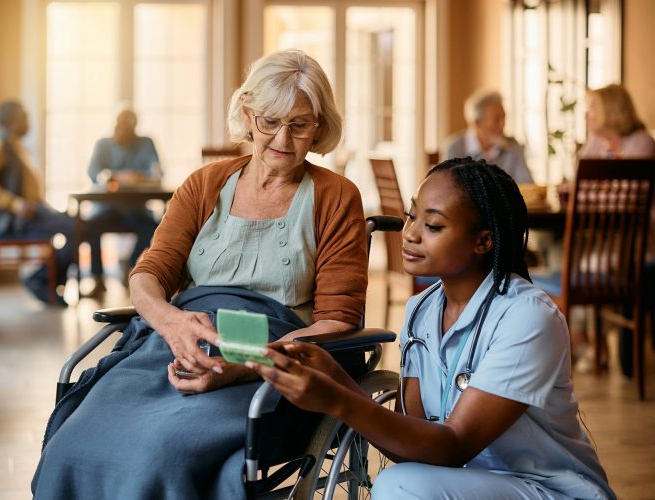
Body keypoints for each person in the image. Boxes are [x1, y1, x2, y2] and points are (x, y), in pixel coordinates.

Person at [32, 49, 368, 499]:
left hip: (274, 362)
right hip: (179, 340)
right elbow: (147, 275)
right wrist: (171, 323)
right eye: (269, 121)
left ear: (319, 127)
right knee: (72, 444)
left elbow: (338, 323)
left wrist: (246, 363)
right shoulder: (204, 184)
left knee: (163, 454)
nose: (282, 140)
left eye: (299, 125)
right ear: (248, 117)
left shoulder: (335, 196)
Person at [248, 158, 615, 499]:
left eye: (434, 225)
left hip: (546, 488)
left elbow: (454, 445)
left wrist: (338, 401)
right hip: (463, 482)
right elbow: (413, 448)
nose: (410, 233)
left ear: (483, 241)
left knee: (399, 486)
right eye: (410, 217)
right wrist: (336, 379)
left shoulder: (528, 318)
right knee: (404, 479)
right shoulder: (422, 310)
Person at [578, 83, 655, 378]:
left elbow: (629, 198)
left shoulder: (642, 143)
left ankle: (594, 344)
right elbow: (582, 188)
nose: (588, 113)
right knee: (564, 256)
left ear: (612, 109)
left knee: (585, 268)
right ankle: (591, 344)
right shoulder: (595, 142)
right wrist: (600, 188)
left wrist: (591, 189)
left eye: (593, 106)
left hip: (640, 240)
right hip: (601, 236)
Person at [0, 100, 76, 306]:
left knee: (75, 224)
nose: (28, 122)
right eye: (25, 117)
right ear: (14, 121)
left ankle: (47, 282)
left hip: (32, 214)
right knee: (77, 228)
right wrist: (16, 204)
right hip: (14, 222)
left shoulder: (13, 144)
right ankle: (40, 281)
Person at [85, 107, 161, 294]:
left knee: (154, 227)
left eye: (126, 129)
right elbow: (93, 173)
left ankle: (129, 264)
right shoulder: (102, 144)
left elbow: (157, 173)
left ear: (134, 129)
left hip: (135, 209)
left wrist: (137, 177)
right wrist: (110, 176)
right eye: (118, 127)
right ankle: (97, 278)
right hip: (106, 209)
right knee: (89, 227)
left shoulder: (145, 143)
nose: (120, 132)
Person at [443, 90, 534, 184]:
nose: (503, 124)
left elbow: (527, 185)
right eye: (496, 119)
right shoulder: (454, 148)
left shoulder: (513, 146)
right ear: (477, 123)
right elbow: (449, 190)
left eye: (504, 118)